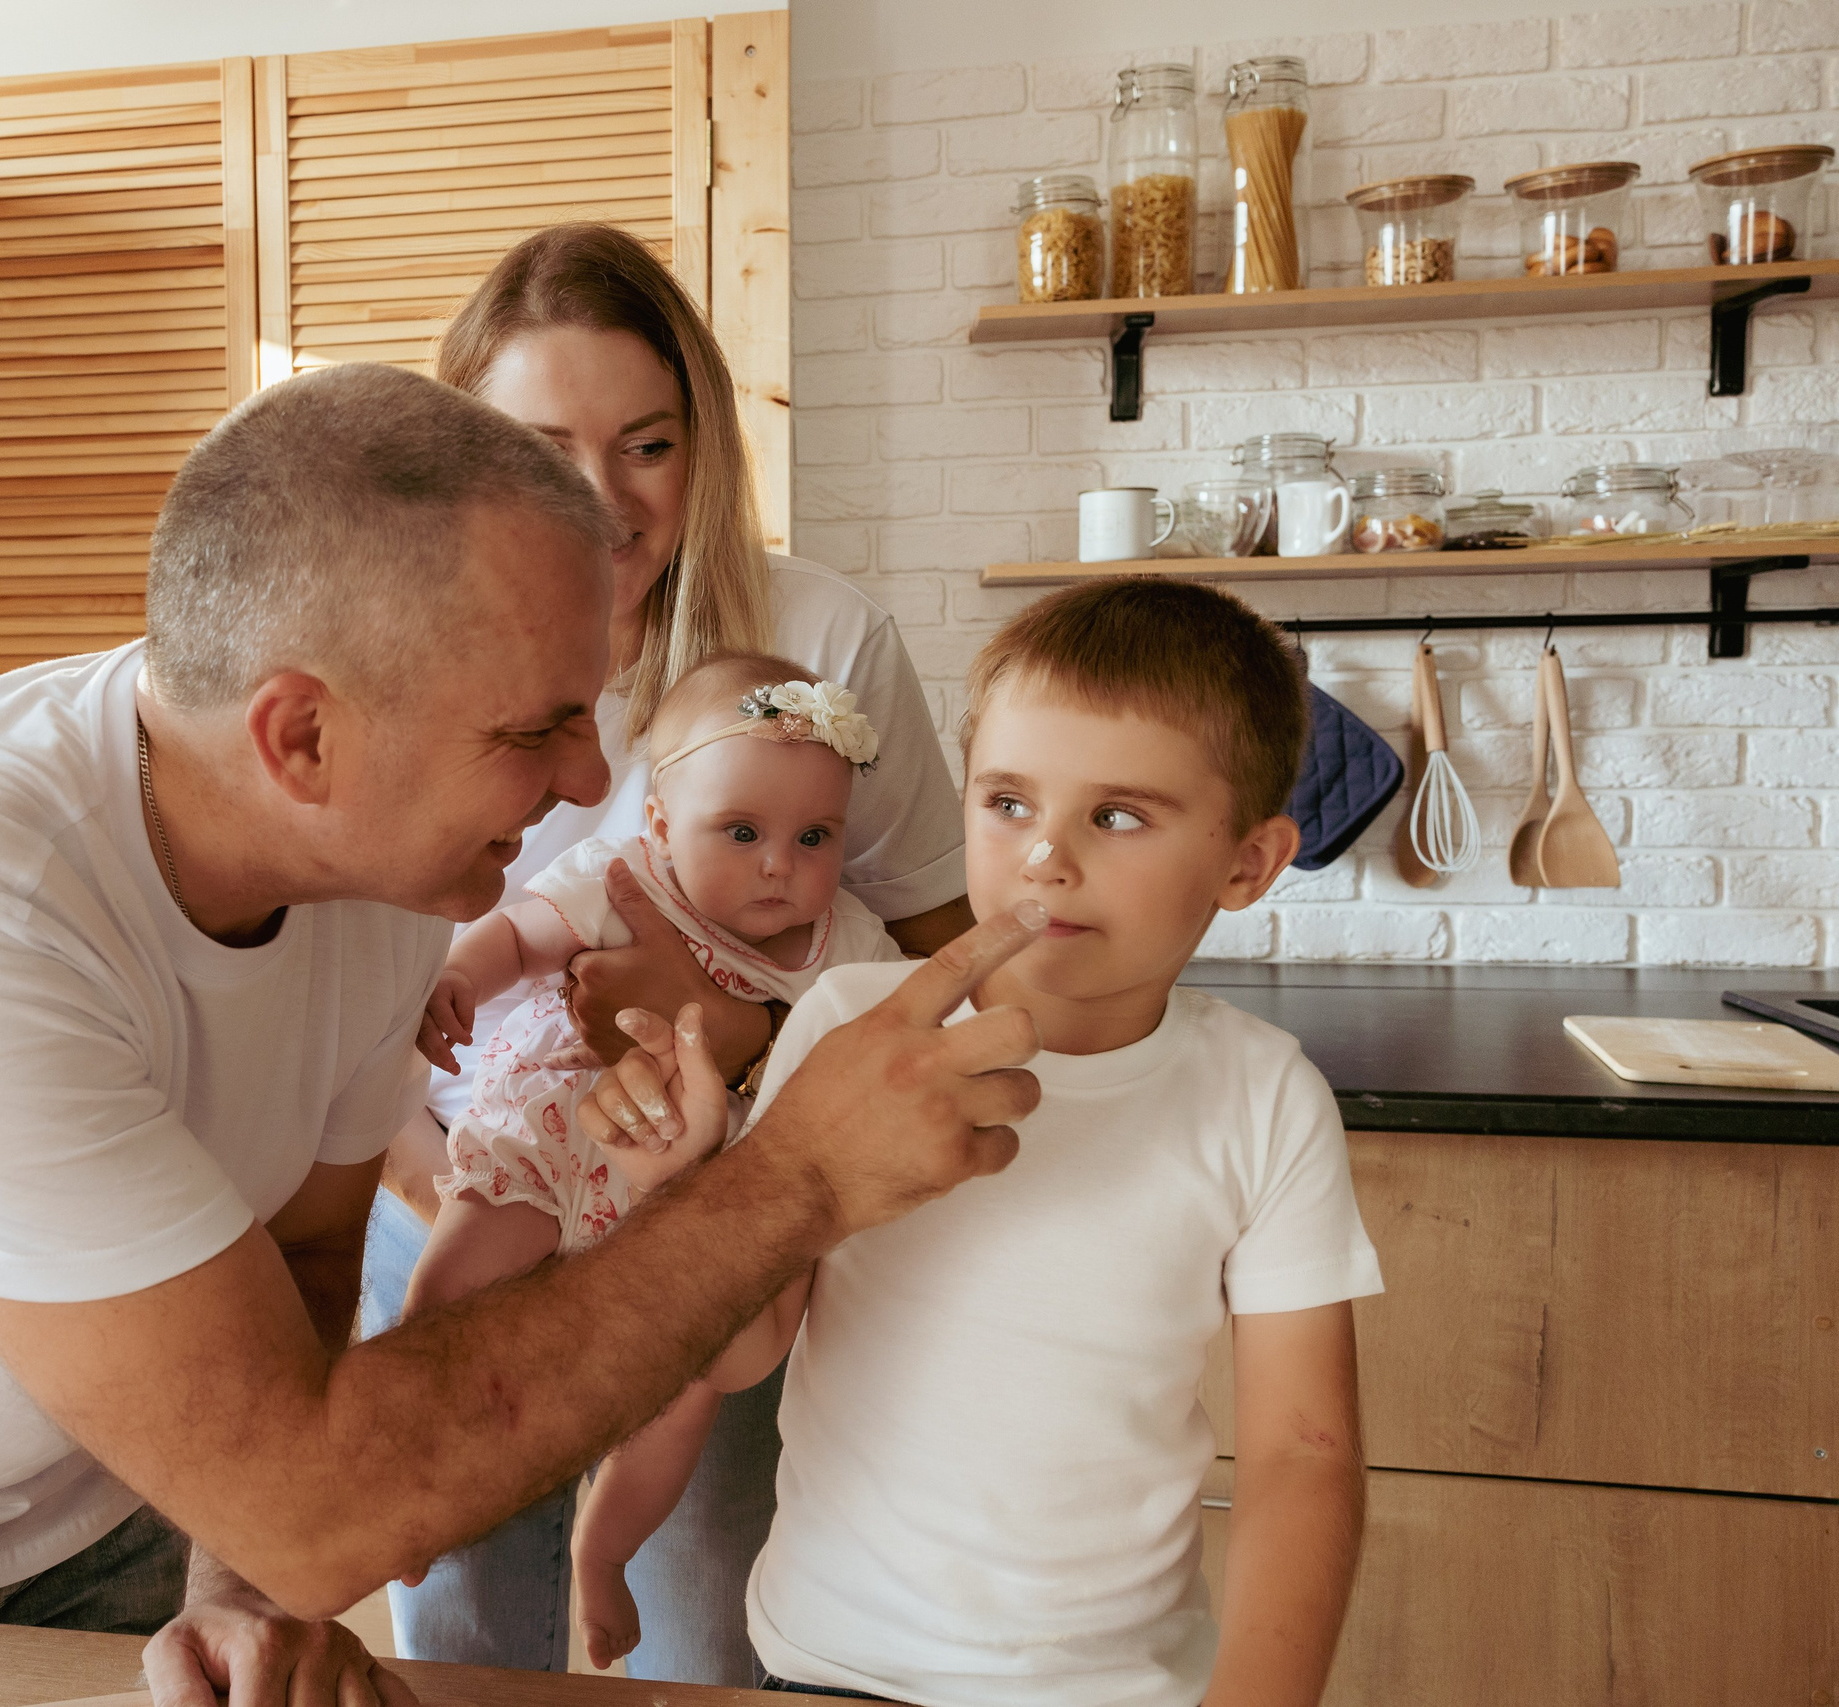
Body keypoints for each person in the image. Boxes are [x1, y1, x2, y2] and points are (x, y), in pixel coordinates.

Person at [0, 359, 1049, 1707]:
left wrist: (234, 1580)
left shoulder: (389, 866)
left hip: (108, 1524)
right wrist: (793, 1176)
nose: (587, 772)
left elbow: (308, 1250)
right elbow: (323, 1506)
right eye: (535, 729)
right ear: (302, 737)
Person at [585, 579, 1381, 1707]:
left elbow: (1303, 1458)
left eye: (1115, 816)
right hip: (825, 1665)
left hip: (1118, 1691)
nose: (1044, 858)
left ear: (1247, 864)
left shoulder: (1263, 1100)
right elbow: (740, 1354)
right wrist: (682, 1199)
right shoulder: (844, 1027)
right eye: (1007, 802)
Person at [367, 221, 973, 1685]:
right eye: (538, 443)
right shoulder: (387, 646)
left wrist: (711, 1021)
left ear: (703, 439)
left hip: (722, 1215)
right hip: (465, 1180)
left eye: (646, 441)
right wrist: (435, 1179)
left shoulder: (821, 637)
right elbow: (351, 975)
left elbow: (931, 967)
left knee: (703, 1618)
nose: (599, 496)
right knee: (461, 1633)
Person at [399, 653, 906, 1670]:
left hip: (696, 1192)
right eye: (743, 833)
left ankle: (603, 1552)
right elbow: (520, 937)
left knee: (678, 1398)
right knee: (457, 1282)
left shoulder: (845, 939)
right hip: (565, 1130)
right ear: (664, 825)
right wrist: (459, 971)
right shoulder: (621, 877)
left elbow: (875, 1046)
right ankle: (409, 1473)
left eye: (814, 838)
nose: (780, 866)